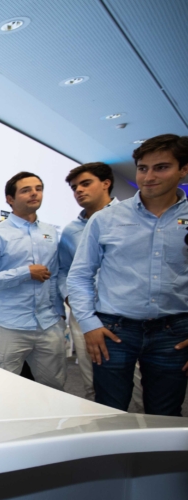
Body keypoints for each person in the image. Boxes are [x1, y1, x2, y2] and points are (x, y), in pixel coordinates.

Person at [69, 134, 188, 416]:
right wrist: (89, 324)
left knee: (165, 414)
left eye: (161, 167)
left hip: (175, 331)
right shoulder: (107, 219)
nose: (148, 176)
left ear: (184, 170)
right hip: (113, 330)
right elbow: (80, 275)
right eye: (143, 168)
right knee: (109, 412)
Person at [0, 172, 66, 389]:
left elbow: (54, 276)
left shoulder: (50, 232)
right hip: (8, 325)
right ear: (10, 199)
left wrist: (59, 315)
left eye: (38, 188)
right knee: (2, 391)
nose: (34, 193)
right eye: (26, 190)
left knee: (55, 391)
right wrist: (25, 272)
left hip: (47, 324)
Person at [59, 162, 134, 403]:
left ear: (106, 183)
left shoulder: (134, 217)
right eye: (74, 187)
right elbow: (64, 270)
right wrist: (69, 296)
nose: (78, 190)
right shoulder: (71, 230)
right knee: (93, 385)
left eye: (85, 183)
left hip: (128, 315)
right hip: (85, 314)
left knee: (144, 387)